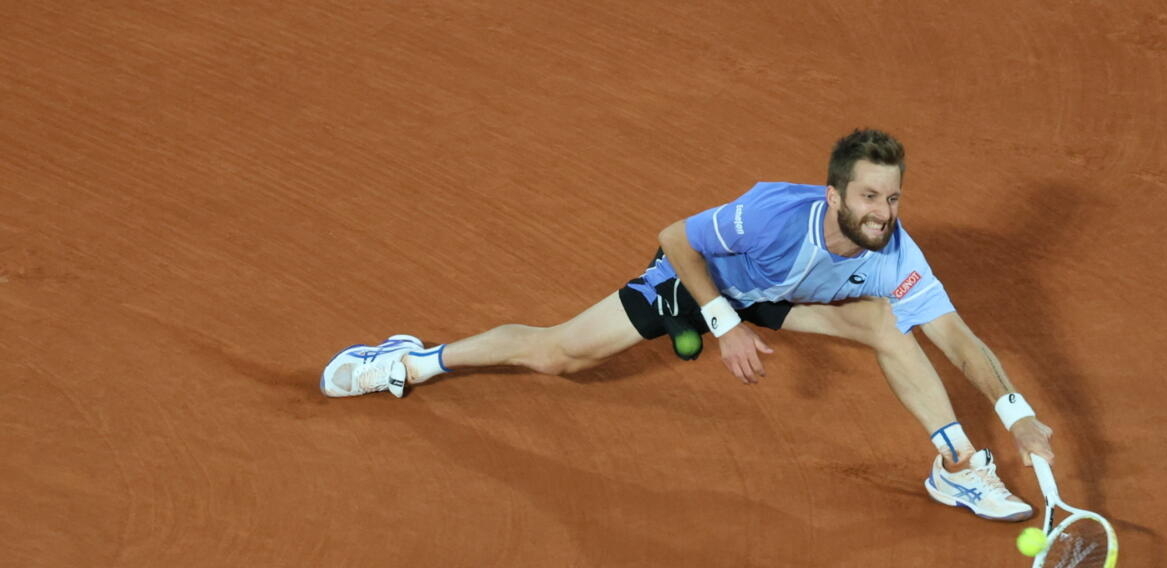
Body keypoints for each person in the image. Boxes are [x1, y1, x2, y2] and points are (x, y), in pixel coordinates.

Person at [319, 129, 1055, 521]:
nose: (883, 213)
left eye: (892, 198)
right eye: (869, 196)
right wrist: (722, 321)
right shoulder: (771, 212)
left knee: (889, 322)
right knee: (556, 356)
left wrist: (1014, 411)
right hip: (701, 281)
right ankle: (413, 361)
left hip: (772, 294)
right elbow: (676, 235)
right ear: (834, 194)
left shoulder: (895, 249)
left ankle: (956, 466)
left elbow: (953, 335)